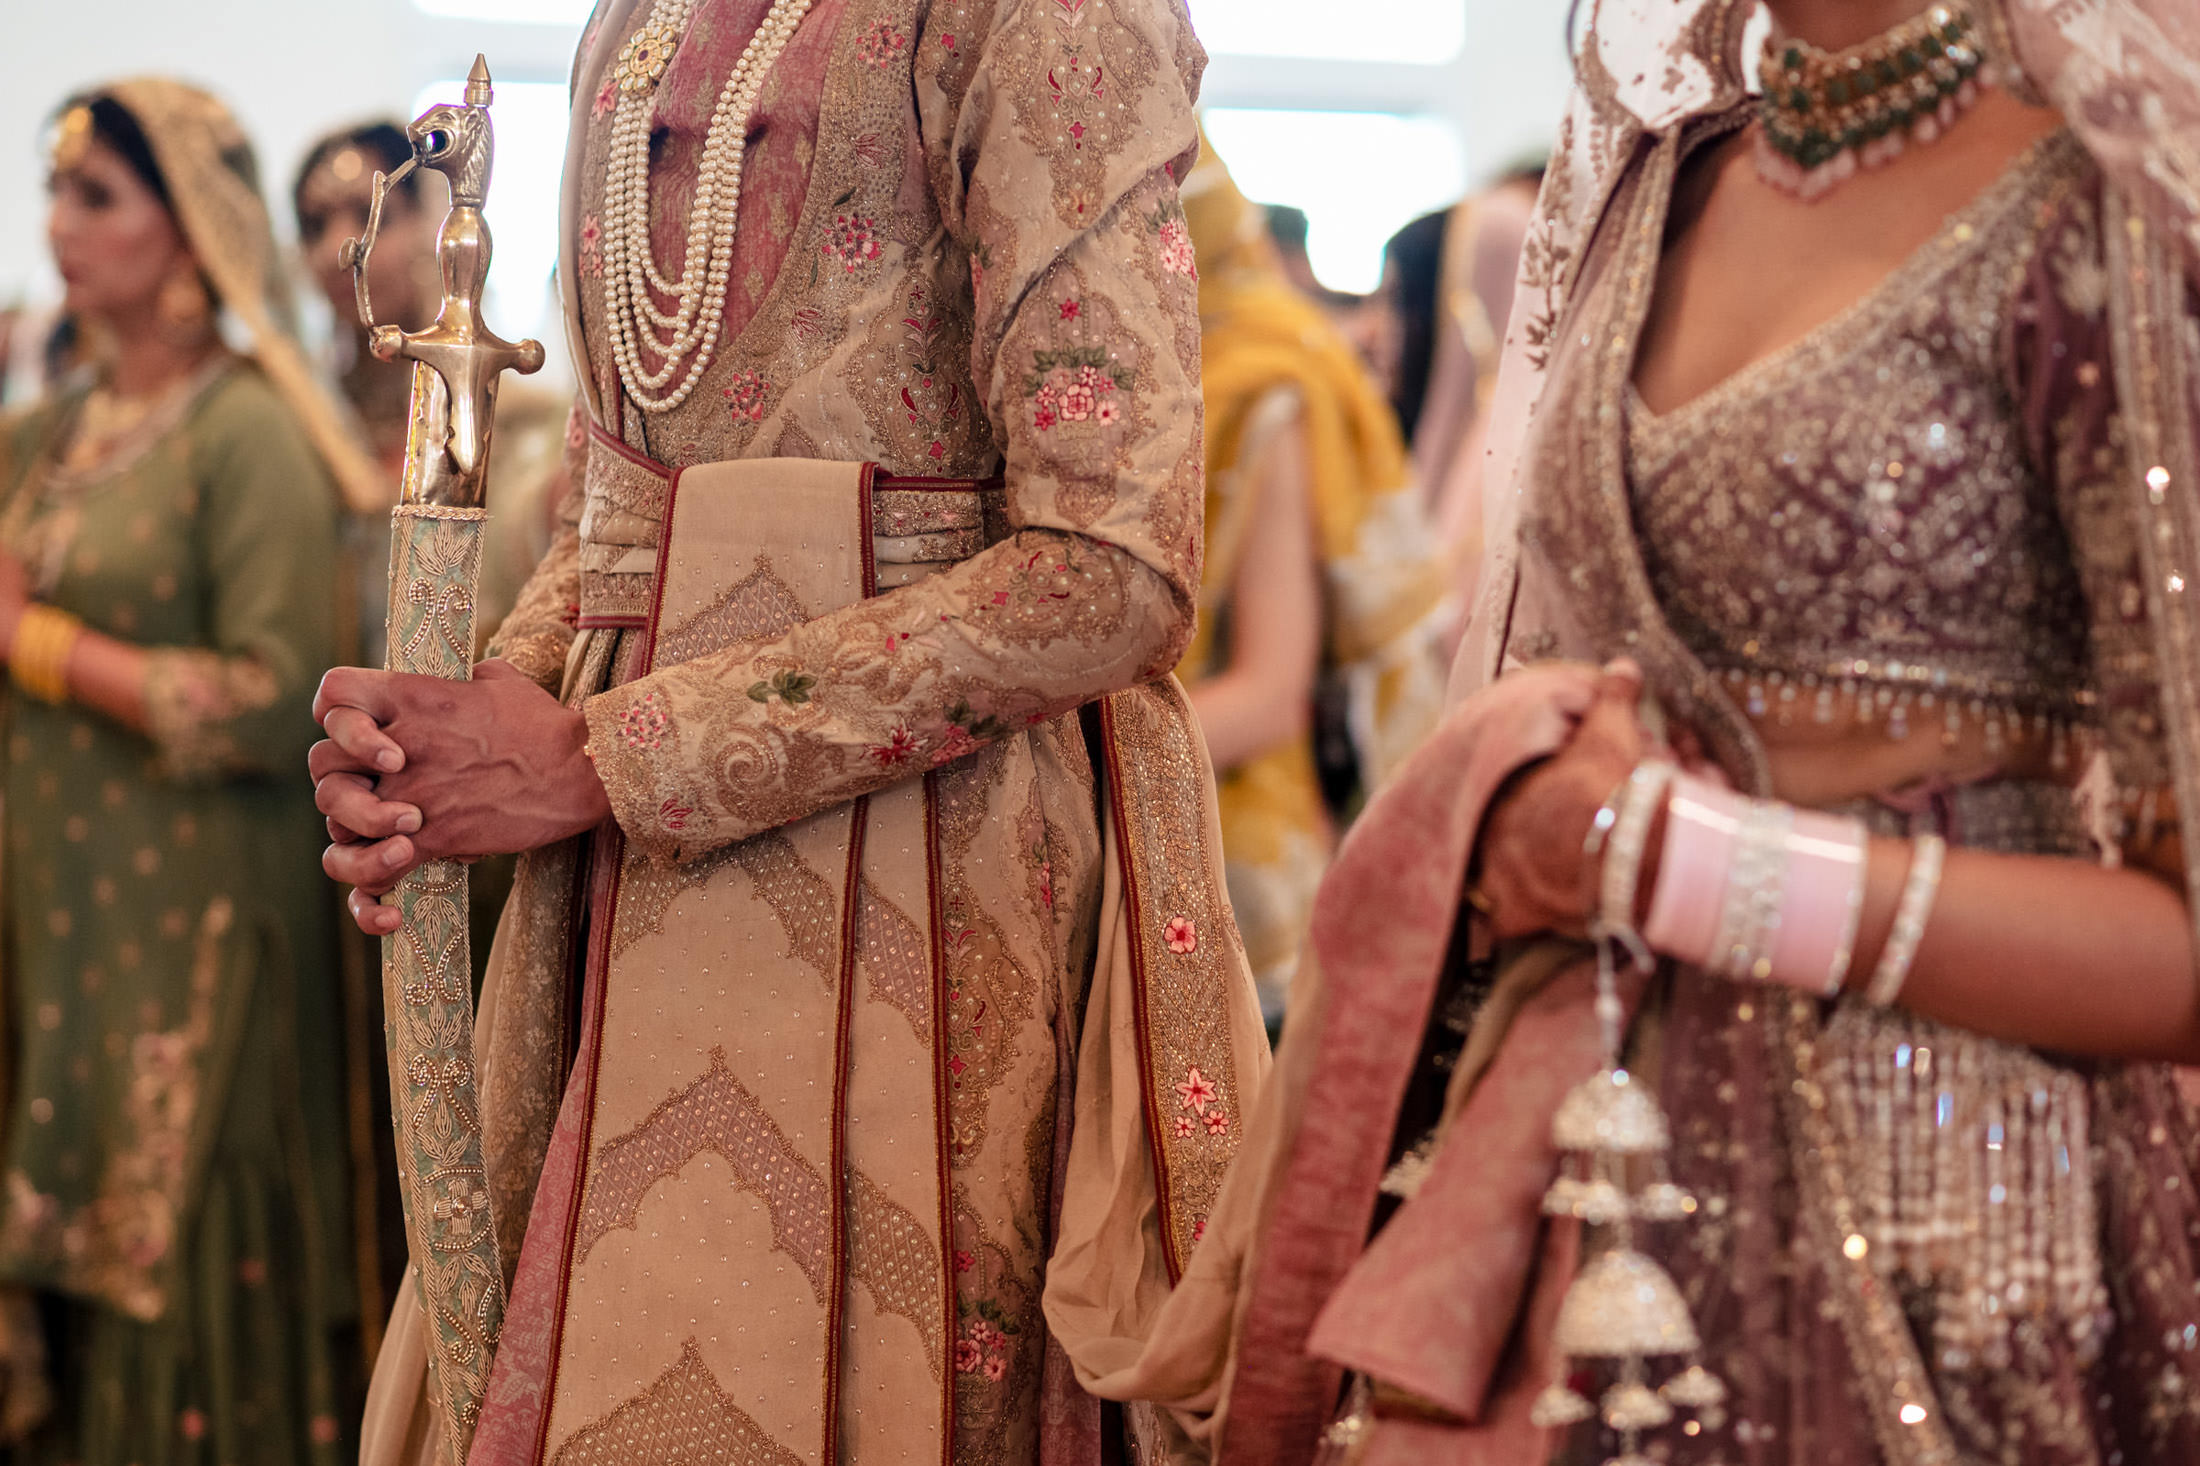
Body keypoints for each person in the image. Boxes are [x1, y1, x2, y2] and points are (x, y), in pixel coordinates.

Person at [1062, 0, 2200, 1461]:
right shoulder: (1662, 176)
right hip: (1587, 1157)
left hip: (1947, 1219)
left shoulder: (2102, 200)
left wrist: (1689, 863)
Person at [312, 0, 1268, 1461]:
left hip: (932, 884)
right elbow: (618, 506)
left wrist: (610, 755)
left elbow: (1112, 571)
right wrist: (484, 717)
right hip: (615, 907)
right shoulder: (638, 21)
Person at [0, 81, 377, 1462]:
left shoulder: (246, 432)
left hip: (200, 931)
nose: (60, 223)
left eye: (96, 195)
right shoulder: (46, 437)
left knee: (186, 1272)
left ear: (189, 230)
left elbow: (276, 698)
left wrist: (39, 642)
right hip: (58, 917)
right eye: (57, 191)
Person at [1176, 134, 1448, 1021]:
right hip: (1135, 812)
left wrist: (1055, 755)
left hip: (1229, 852)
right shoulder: (1132, 380)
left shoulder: (1265, 384)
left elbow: (1269, 695)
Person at [291, 120, 569, 667]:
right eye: (314, 225)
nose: (336, 248)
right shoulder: (308, 416)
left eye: (372, 215)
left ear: (434, 224)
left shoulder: (518, 419)